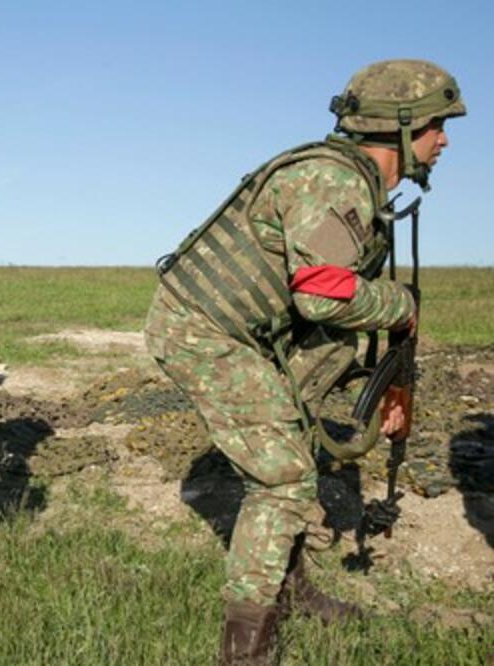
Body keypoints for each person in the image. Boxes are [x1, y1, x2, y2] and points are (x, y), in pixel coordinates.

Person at [143, 60, 465, 664]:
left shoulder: (354, 183)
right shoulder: (334, 181)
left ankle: (287, 592)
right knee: (284, 478)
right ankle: (245, 651)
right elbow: (321, 294)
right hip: (204, 332)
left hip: (240, 333)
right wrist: (399, 304)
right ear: (400, 127)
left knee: (291, 443)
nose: (444, 140)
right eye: (437, 125)